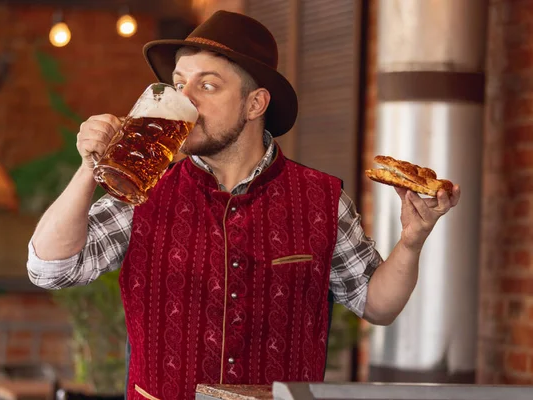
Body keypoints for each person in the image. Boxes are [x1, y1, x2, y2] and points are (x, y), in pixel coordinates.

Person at [27, 10, 460, 400]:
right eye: (179, 84)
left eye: (207, 85)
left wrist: (412, 239)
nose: (186, 99)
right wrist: (90, 168)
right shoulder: (145, 191)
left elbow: (378, 305)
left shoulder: (322, 198)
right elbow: (50, 269)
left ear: (255, 104)